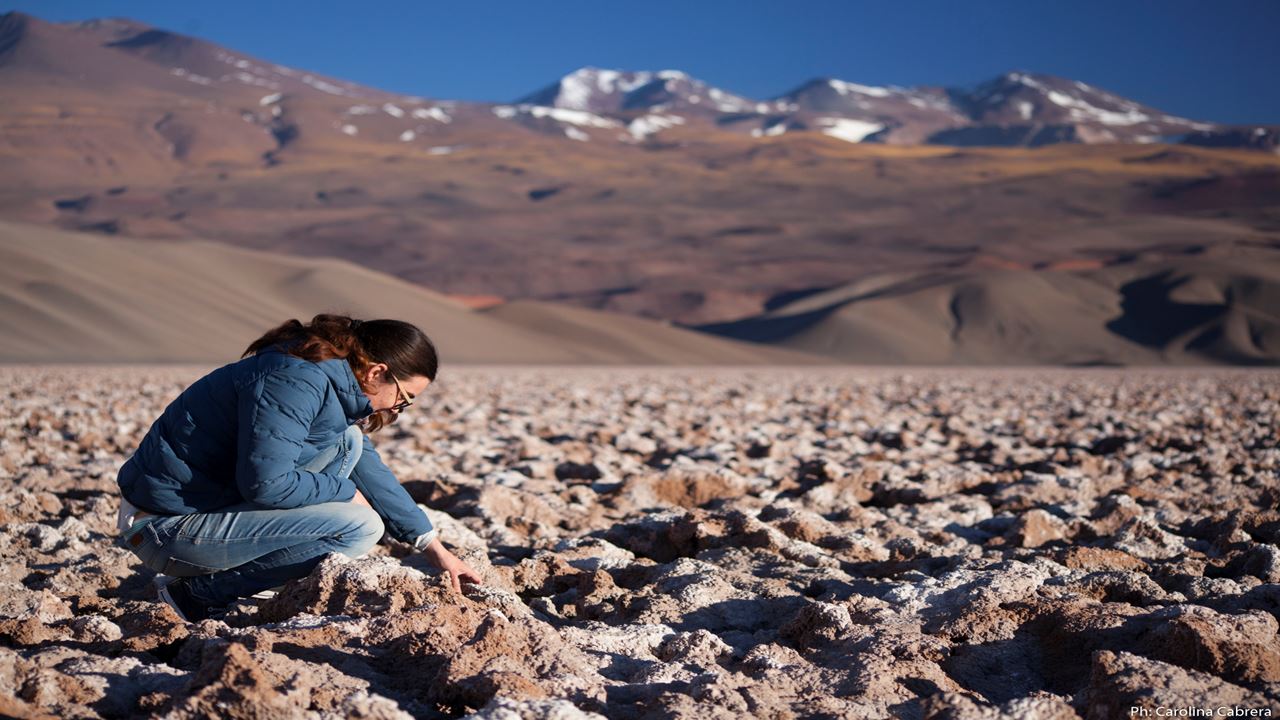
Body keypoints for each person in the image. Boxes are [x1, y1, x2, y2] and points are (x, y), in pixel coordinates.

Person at [115, 314, 481, 622]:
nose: (396, 410)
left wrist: (434, 548)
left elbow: (371, 473)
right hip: (163, 529)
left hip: (199, 510)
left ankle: (247, 576)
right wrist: (344, 493)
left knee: (348, 445)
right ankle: (196, 596)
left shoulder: (322, 380)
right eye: (404, 398)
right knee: (360, 527)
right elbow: (267, 485)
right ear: (375, 372)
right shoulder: (294, 381)